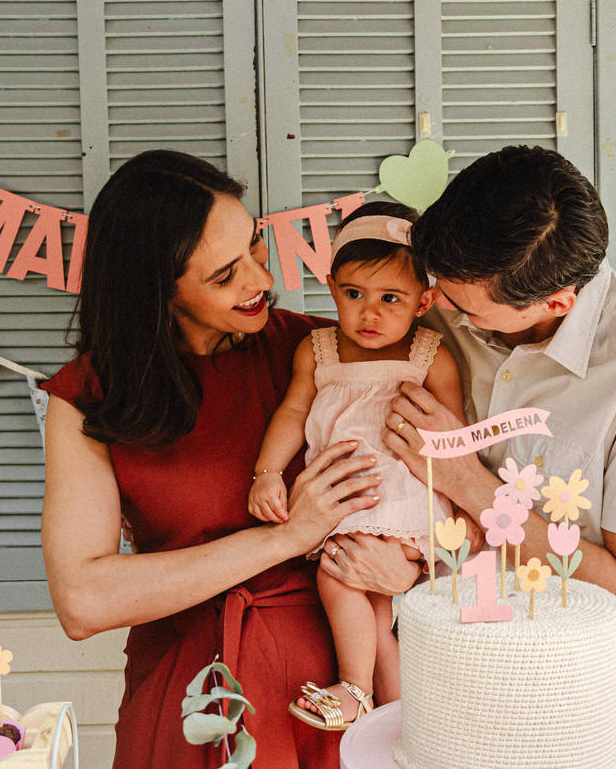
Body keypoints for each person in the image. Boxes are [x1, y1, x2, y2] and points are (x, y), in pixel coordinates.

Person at [39, 150, 400, 768]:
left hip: (336, 699)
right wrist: (290, 535)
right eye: (225, 274)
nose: (261, 280)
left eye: (256, 246)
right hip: (189, 701)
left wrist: (409, 570)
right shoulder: (89, 395)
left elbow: (443, 494)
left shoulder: (330, 354)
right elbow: (83, 601)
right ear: (158, 289)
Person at [384, 145, 616, 650]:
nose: (433, 305)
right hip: (402, 649)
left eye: (462, 306)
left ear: (557, 303)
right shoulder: (439, 291)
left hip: (541, 672)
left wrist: (466, 480)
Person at [247, 203, 464, 731]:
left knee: (338, 576)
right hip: (347, 496)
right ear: (331, 287)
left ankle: (354, 689)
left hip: (404, 498)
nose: (370, 313)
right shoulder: (318, 351)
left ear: (423, 302)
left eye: (391, 298)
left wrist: (465, 515)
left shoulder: (430, 356)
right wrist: (267, 473)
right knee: (376, 615)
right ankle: (401, 722)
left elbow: (455, 439)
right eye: (353, 294)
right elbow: (292, 413)